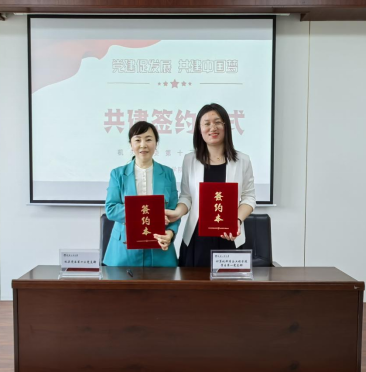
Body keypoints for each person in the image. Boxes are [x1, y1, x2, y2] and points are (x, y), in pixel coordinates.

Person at [166, 103, 256, 267]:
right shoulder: (190, 160)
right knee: (193, 283)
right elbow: (186, 196)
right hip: (196, 238)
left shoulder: (242, 160)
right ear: (199, 129)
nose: (212, 128)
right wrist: (177, 213)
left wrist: (236, 220)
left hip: (230, 236)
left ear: (226, 126)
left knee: (230, 284)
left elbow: (248, 197)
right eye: (206, 123)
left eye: (217, 122)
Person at [104, 121, 180, 267]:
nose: (143, 145)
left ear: (156, 143)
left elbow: (174, 211)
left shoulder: (167, 173)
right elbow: (111, 209)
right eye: (138, 140)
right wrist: (147, 214)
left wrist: (170, 233)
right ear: (131, 144)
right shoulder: (118, 174)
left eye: (148, 139)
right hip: (124, 250)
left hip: (160, 248)